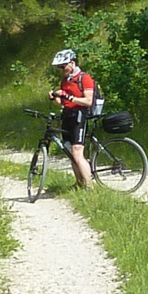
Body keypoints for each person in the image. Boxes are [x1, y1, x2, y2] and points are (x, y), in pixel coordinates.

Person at [48, 49, 99, 189]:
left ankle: (90, 187)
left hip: (79, 116)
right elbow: (63, 102)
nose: (61, 70)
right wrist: (55, 98)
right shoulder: (65, 80)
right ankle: (79, 184)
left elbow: (88, 101)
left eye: (63, 66)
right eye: (59, 67)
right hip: (67, 115)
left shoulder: (84, 78)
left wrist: (68, 96)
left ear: (72, 63)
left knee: (77, 152)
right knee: (71, 152)